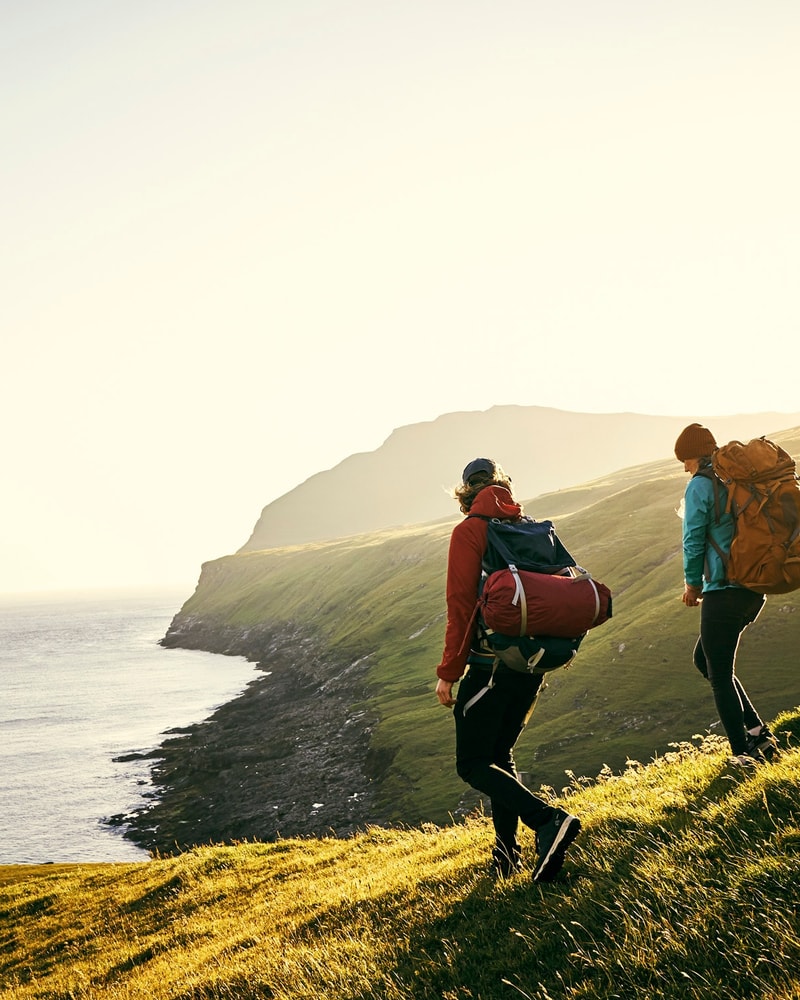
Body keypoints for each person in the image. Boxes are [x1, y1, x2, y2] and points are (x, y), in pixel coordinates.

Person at [435, 457, 581, 881]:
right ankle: (506, 856)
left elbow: (461, 606)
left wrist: (449, 672)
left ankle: (548, 820)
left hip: (491, 666)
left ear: (466, 494)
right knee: (499, 755)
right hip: (532, 663)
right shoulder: (531, 527)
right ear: (504, 487)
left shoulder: (470, 531)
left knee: (472, 763)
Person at [674, 423, 778, 765]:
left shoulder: (700, 486)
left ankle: (742, 755)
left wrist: (692, 585)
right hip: (753, 588)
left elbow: (693, 540)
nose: (684, 468)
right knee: (704, 659)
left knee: (718, 673)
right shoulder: (734, 480)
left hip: (725, 590)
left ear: (694, 456)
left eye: (685, 460)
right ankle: (758, 733)